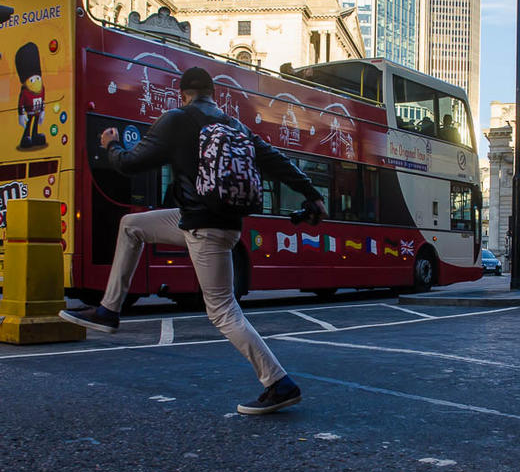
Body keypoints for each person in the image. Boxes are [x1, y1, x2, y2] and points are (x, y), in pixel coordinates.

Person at [59, 67, 327, 416]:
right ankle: (109, 310)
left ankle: (279, 383)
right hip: (210, 223)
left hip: (205, 228)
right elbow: (277, 162)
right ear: (212, 93)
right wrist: (311, 194)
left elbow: (129, 164)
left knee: (222, 311)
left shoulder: (176, 120)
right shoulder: (236, 126)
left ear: (182, 93)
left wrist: (111, 144)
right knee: (132, 225)